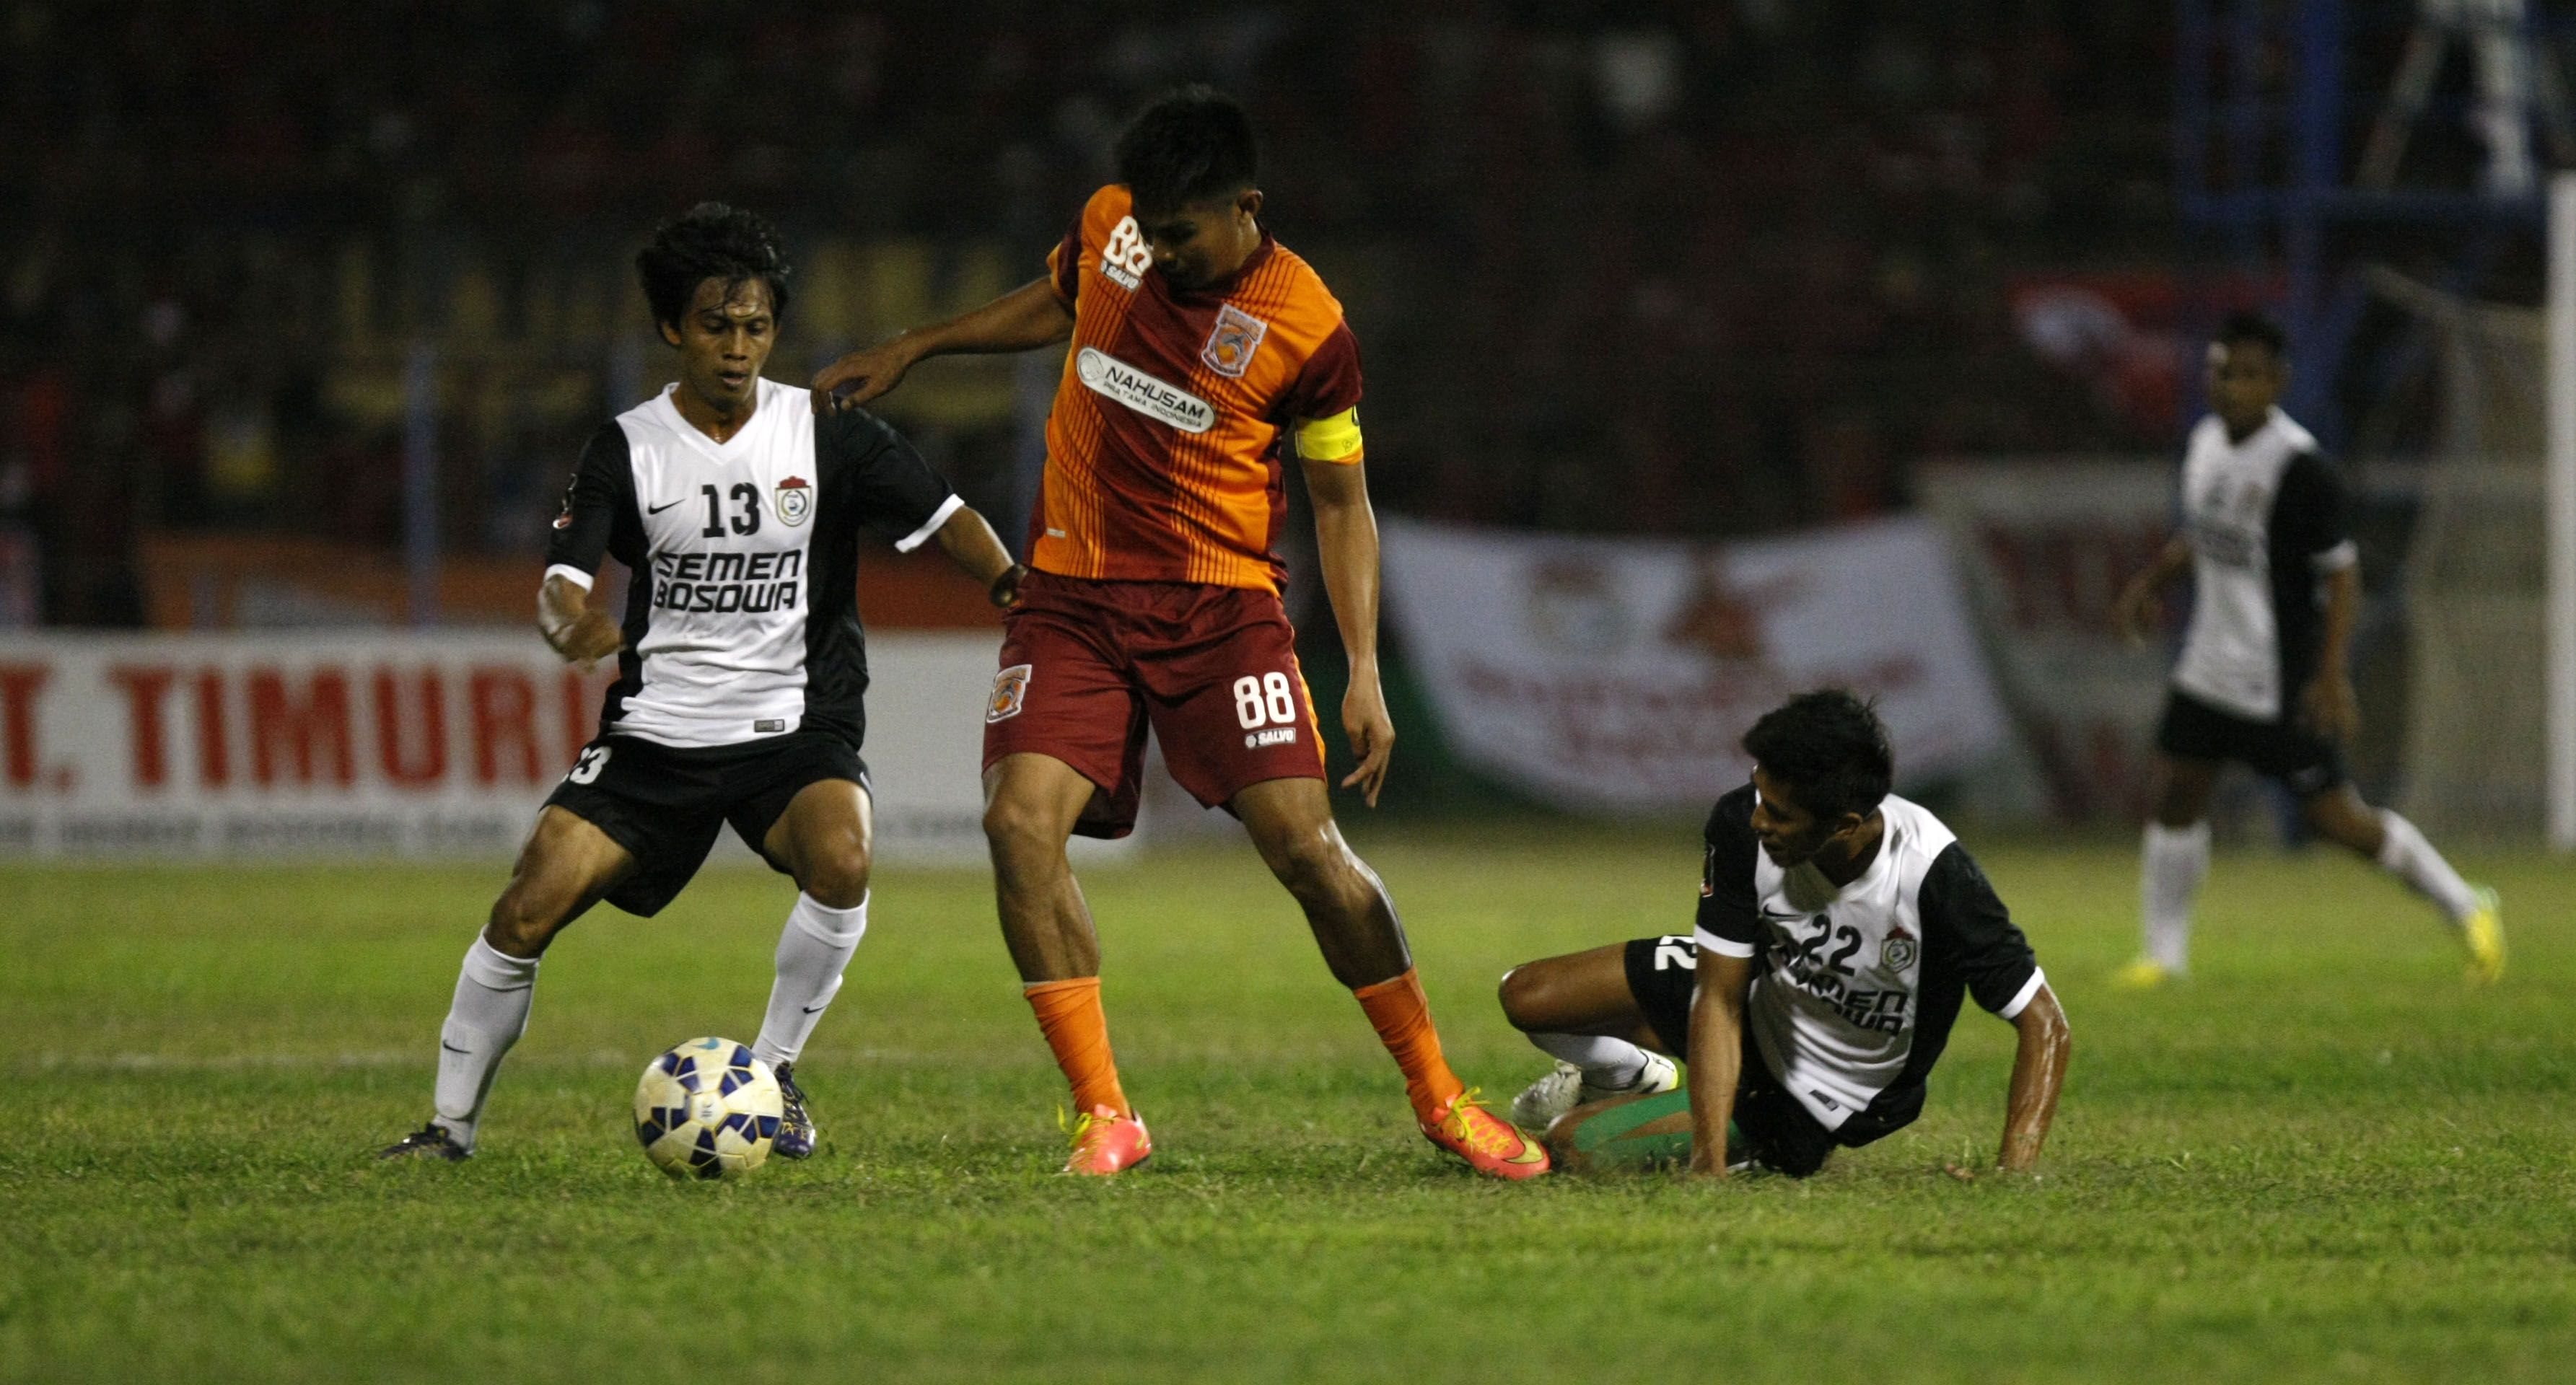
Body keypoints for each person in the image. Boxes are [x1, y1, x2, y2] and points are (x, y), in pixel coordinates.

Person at [811, 86, 1545, 1178]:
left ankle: (1439, 1095)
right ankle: (1104, 1113)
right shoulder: (1115, 223)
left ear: (1246, 207)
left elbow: (1341, 505)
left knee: (1306, 849)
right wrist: (921, 346)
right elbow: (1057, 299)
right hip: (1071, 594)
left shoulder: (1309, 328)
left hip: (1221, 613)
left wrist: (1363, 675)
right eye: (1145, 231)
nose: (1154, 254)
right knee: (1019, 828)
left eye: (1180, 235)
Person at [378, 203, 1024, 1163]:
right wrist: (571, 625)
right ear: (674, 329)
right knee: (526, 907)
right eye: (717, 326)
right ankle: (447, 1129)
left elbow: (945, 515)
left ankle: (772, 1076)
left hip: (793, 728)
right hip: (656, 737)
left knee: (842, 858)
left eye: (756, 327)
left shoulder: (826, 430)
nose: (737, 347)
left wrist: (1016, 588)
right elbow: (562, 585)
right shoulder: (627, 448)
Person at [1497, 690, 2070, 1179]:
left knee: (1573, 1144)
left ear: (1844, 825)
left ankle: (1739, 1127)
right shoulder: (1741, 826)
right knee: (1525, 994)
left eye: (1778, 813)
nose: (1756, 819)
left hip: (1817, 1097)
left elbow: (2044, 1024)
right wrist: (1708, 1163)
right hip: (1759, 1001)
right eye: (1758, 792)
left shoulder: (1936, 878)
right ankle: (1630, 1076)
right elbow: (1718, 997)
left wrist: (2011, 1174)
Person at [2111, 311, 2503, 988]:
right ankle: (2164, 958)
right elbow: (2204, 535)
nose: (2235, 387)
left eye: (2252, 375)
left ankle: (2467, 904)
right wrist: (2153, 582)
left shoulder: (2301, 469)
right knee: (2176, 793)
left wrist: (2331, 676)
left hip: (2277, 678)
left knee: (2336, 821)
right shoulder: (2205, 442)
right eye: (2225, 372)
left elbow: (2342, 574)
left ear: (2279, 382)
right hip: (2207, 667)